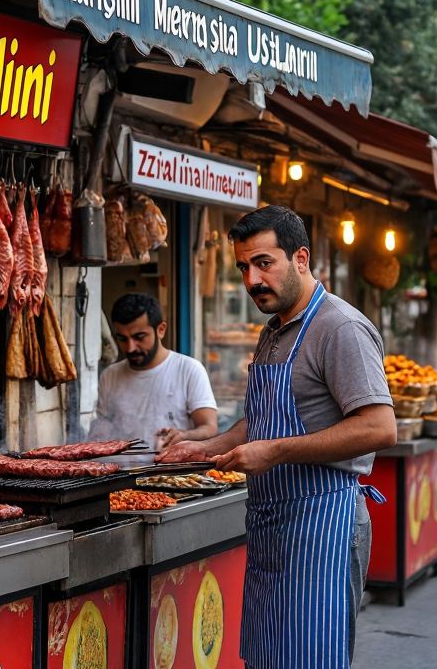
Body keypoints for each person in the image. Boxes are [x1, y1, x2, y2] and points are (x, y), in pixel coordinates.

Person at [157, 205, 394, 669]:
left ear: (300, 258)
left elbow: (378, 427)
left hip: (323, 524)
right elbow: (266, 418)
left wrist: (276, 452)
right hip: (274, 529)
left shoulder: (339, 328)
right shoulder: (274, 330)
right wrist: (209, 446)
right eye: (244, 267)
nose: (252, 280)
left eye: (265, 263)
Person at [89, 293, 218, 448]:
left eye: (139, 337)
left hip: (171, 470)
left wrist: (183, 435)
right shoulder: (110, 375)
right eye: (123, 339)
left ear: (161, 330)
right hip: (121, 470)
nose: (130, 348)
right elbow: (102, 427)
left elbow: (209, 428)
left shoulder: (189, 370)